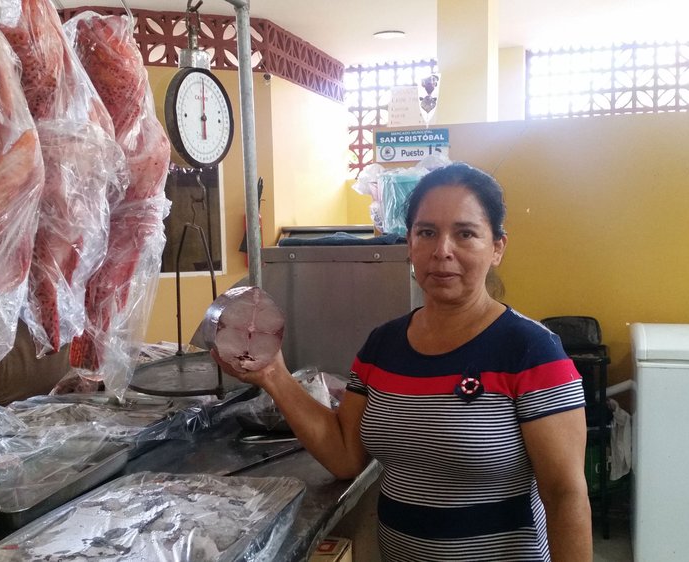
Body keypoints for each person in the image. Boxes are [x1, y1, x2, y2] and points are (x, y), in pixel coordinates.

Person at [213, 162, 593, 561]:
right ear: (409, 242)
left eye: (465, 233)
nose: (442, 250)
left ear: (497, 247)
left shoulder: (531, 351)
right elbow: (346, 455)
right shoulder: (384, 346)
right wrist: (273, 374)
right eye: (427, 232)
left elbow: (565, 495)